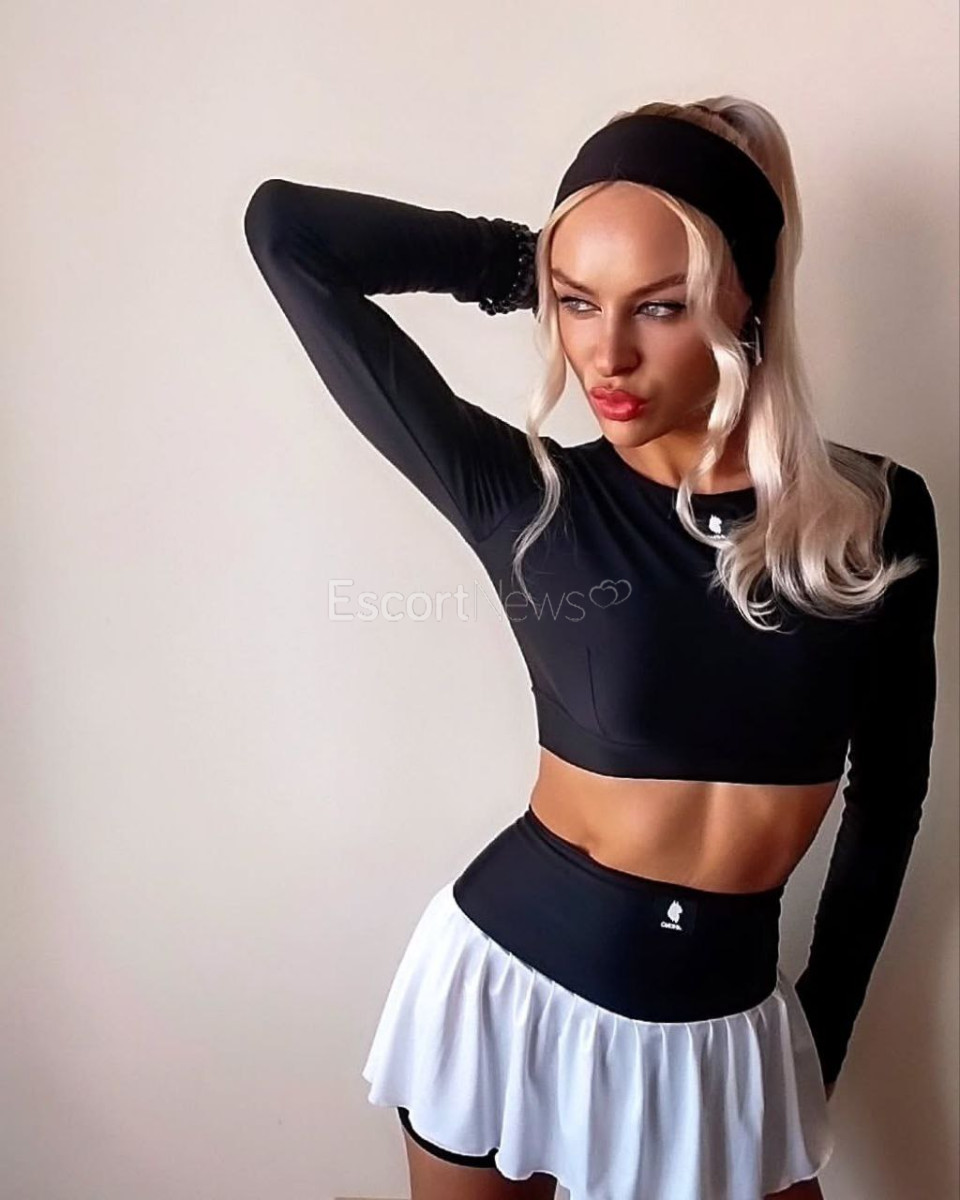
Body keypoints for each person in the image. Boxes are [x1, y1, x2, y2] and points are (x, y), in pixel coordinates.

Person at [242, 96, 940, 1200]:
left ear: (748, 295)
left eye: (660, 306)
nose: (605, 355)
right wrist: (533, 259)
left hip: (726, 1033)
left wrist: (821, 1034)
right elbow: (288, 231)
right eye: (577, 304)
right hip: (508, 995)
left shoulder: (879, 512)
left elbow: (890, 796)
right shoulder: (528, 499)